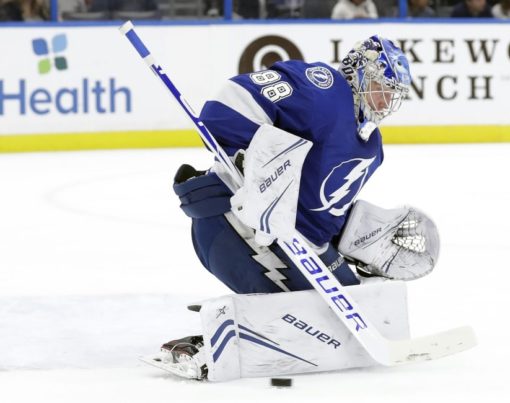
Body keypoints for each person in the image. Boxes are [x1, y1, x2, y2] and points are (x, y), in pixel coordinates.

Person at [146, 35, 439, 381]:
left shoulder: (372, 147)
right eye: (383, 86)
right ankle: (211, 342)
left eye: (394, 93)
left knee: (359, 306)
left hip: (285, 239)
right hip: (232, 223)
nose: (388, 99)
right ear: (361, 73)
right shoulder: (324, 87)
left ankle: (242, 331)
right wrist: (254, 174)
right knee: (317, 317)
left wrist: (356, 235)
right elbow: (227, 106)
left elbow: (318, 210)